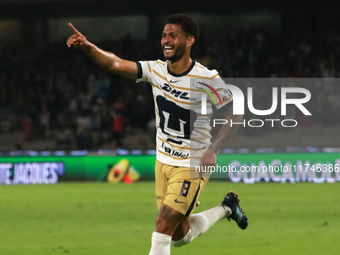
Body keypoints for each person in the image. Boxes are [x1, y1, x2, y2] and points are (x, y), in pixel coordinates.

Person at [67, 13, 248, 255]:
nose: (166, 40)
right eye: (164, 35)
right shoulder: (155, 70)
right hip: (162, 162)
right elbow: (114, 63)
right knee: (178, 236)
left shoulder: (206, 78)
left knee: (162, 225)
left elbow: (236, 112)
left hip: (192, 164)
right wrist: (88, 47)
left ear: (190, 40)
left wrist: (213, 148)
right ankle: (227, 207)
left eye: (173, 35)